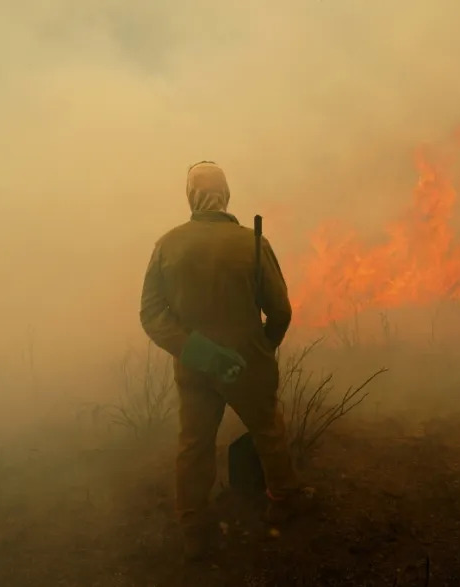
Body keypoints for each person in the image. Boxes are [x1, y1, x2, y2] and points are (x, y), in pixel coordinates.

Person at [139, 161, 307, 562]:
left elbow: (152, 314)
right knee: (267, 430)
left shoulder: (167, 246)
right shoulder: (252, 243)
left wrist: (199, 352)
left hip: (195, 366)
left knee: (194, 445)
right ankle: (283, 501)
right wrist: (263, 347)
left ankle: (195, 530)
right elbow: (280, 311)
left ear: (190, 196)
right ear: (226, 194)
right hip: (249, 363)